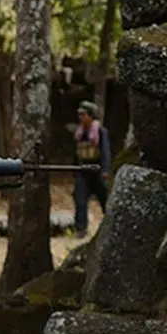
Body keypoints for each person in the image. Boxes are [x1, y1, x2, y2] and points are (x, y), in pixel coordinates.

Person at [72, 100, 111, 238]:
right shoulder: (79, 133)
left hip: (97, 170)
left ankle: (110, 225)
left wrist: (105, 170)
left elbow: (105, 150)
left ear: (91, 116)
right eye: (80, 115)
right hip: (83, 171)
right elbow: (76, 152)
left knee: (104, 200)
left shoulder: (100, 131)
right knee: (80, 200)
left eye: (84, 115)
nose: (81, 117)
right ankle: (81, 229)